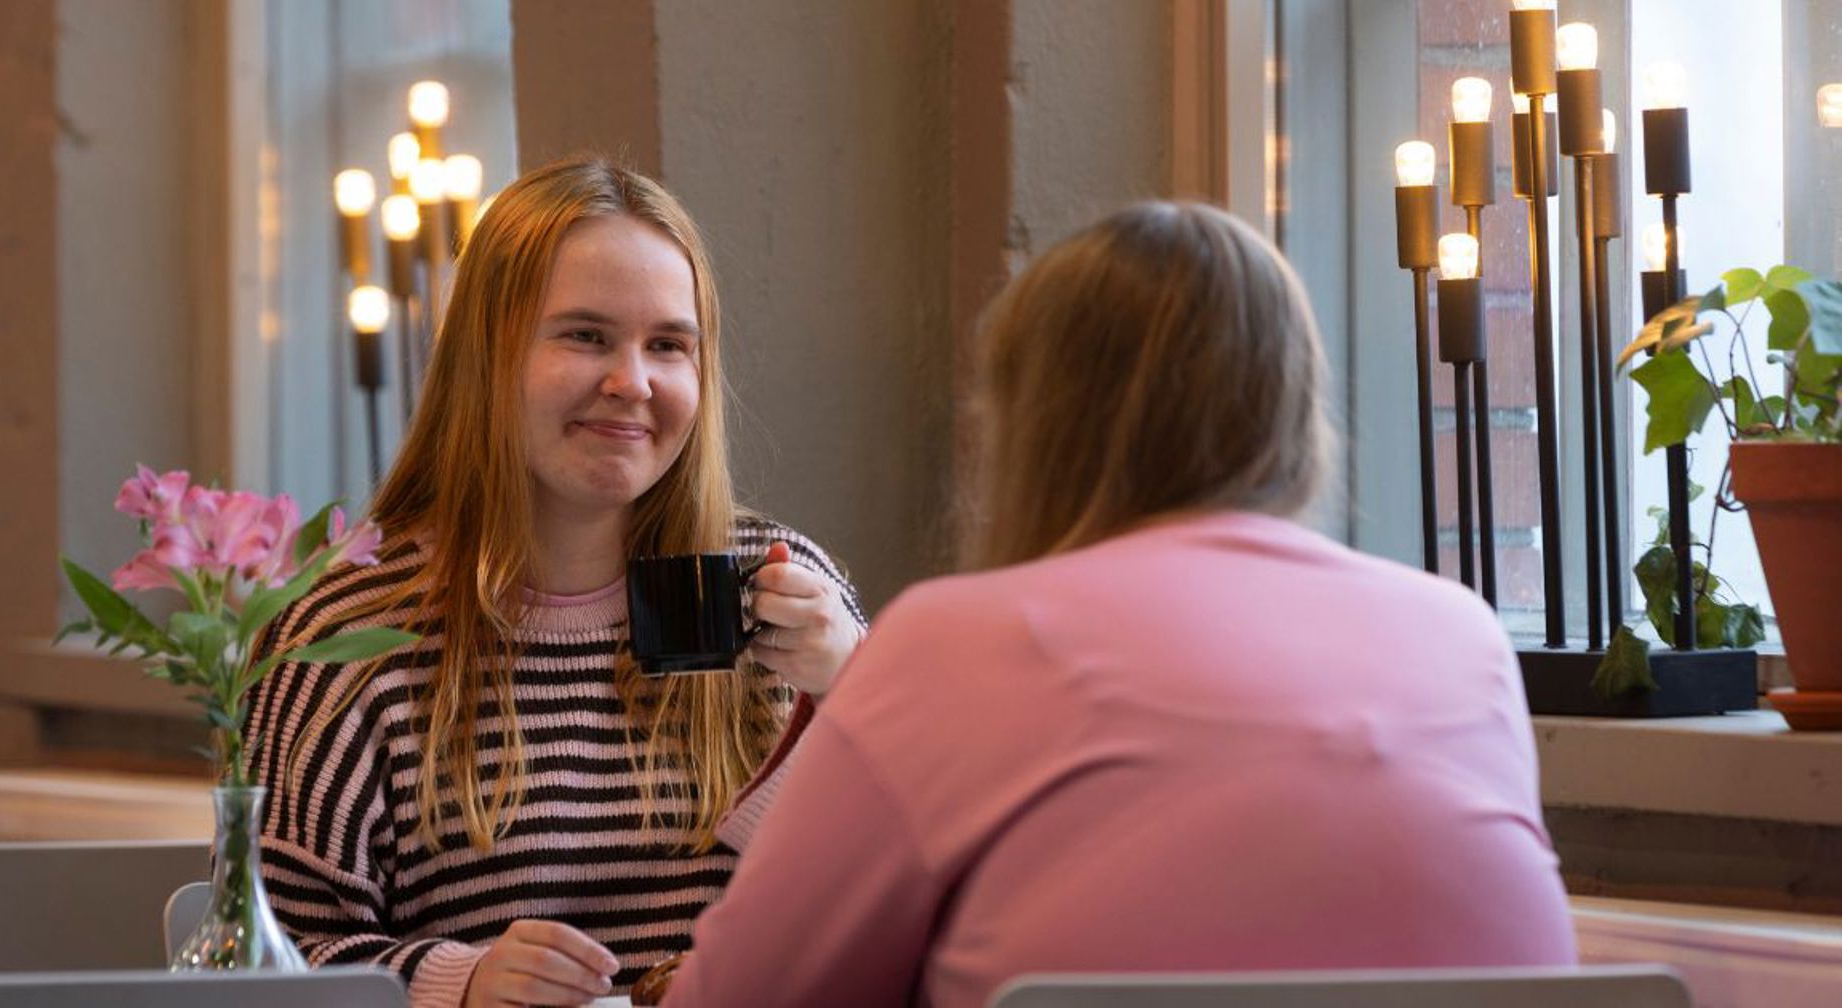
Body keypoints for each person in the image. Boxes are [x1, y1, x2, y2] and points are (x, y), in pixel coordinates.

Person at [665, 202, 1576, 1008]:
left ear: (1033, 424)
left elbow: (741, 997)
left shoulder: (954, 642)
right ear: (1296, 409)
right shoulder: (1463, 634)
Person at [243, 157, 866, 1007]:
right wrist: (460, 985)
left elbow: (905, 896)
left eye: (668, 346)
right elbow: (269, 960)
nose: (632, 383)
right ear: (483, 357)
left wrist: (851, 694)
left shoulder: (781, 590)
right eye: (585, 336)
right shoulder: (345, 632)